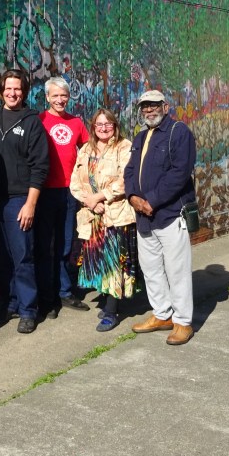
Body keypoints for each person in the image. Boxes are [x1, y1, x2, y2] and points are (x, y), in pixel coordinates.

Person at [123, 89, 198, 345]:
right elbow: (130, 170)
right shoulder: (141, 136)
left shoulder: (179, 132)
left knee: (177, 270)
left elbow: (180, 173)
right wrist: (133, 197)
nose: (149, 110)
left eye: (154, 105)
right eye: (144, 106)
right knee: (151, 269)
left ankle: (183, 321)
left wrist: (151, 201)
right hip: (144, 216)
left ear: (165, 107)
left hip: (170, 213)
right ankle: (162, 314)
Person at [0, 68, 49, 334]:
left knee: (22, 257)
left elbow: (40, 167)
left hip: (19, 200)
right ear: (1, 91)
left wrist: (30, 204)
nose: (12, 93)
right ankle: (9, 303)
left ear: (24, 92)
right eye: (8, 88)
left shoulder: (32, 122)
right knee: (0, 257)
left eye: (17, 88)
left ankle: (28, 309)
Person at [70, 108, 140, 331]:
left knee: (113, 263)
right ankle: (110, 300)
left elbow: (125, 180)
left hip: (115, 215)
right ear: (93, 127)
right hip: (93, 216)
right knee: (99, 261)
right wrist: (89, 201)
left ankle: (111, 311)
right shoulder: (86, 149)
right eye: (99, 124)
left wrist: (100, 196)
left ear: (115, 126)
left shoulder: (124, 147)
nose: (103, 128)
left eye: (108, 124)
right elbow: (75, 182)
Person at [36, 76, 91, 318]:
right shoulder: (39, 121)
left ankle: (64, 292)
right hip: (44, 191)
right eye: (55, 95)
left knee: (66, 244)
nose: (60, 99)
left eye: (64, 95)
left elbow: (89, 151)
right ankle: (47, 297)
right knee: (45, 245)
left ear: (69, 97)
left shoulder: (76, 122)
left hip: (69, 192)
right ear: (47, 97)